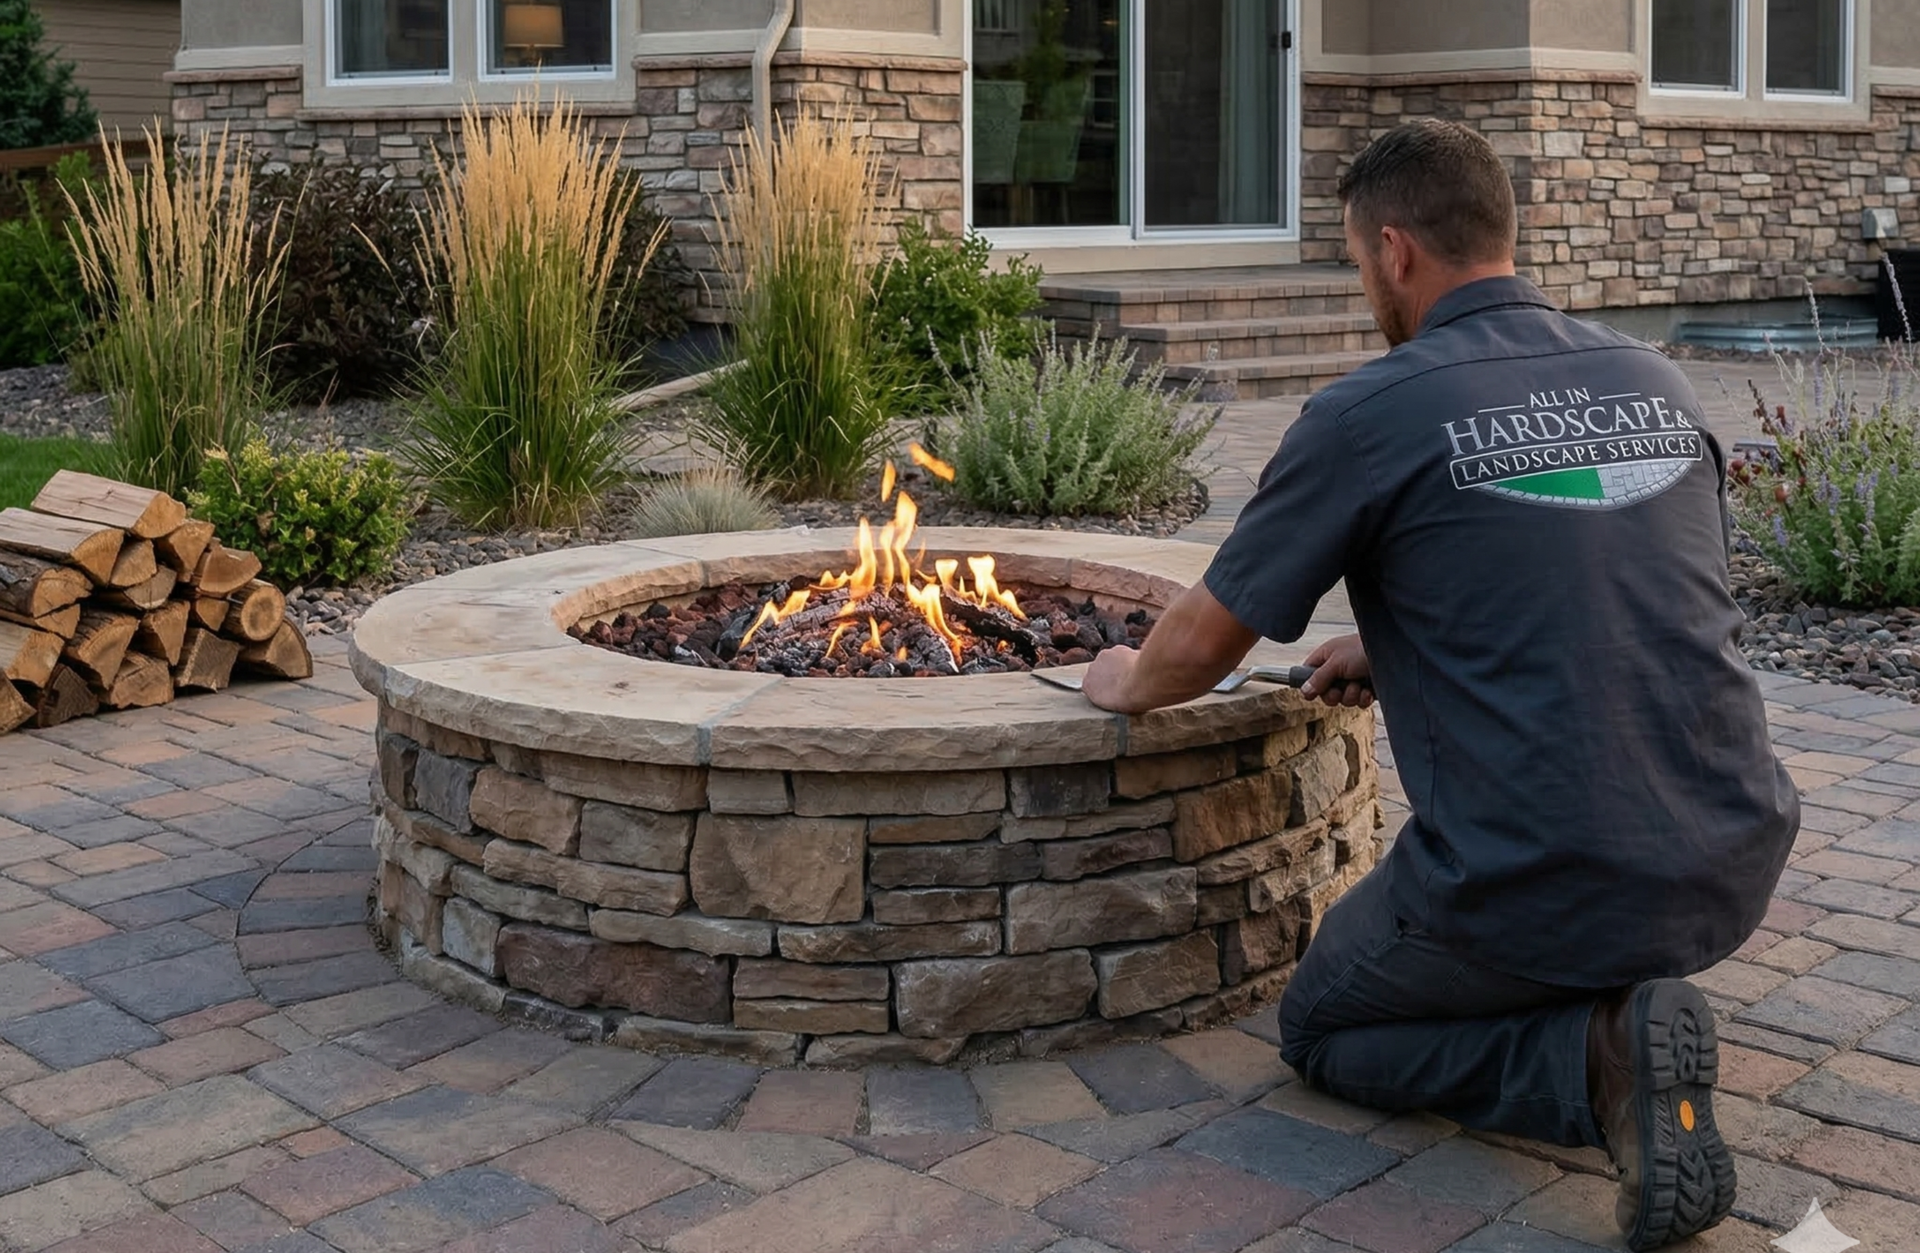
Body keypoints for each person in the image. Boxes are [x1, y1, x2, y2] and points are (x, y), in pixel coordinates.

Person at [1081, 119, 1798, 1251]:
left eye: (1357, 258)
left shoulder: (1369, 414)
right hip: (1730, 846)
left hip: (1535, 874)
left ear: (1397, 251)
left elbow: (1198, 647)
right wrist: (1388, 644)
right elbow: (1608, 583)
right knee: (1564, 923)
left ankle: (1596, 1057)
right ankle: (1624, 1001)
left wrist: (1126, 680)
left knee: (1322, 1027)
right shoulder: (1650, 375)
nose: (1362, 278)